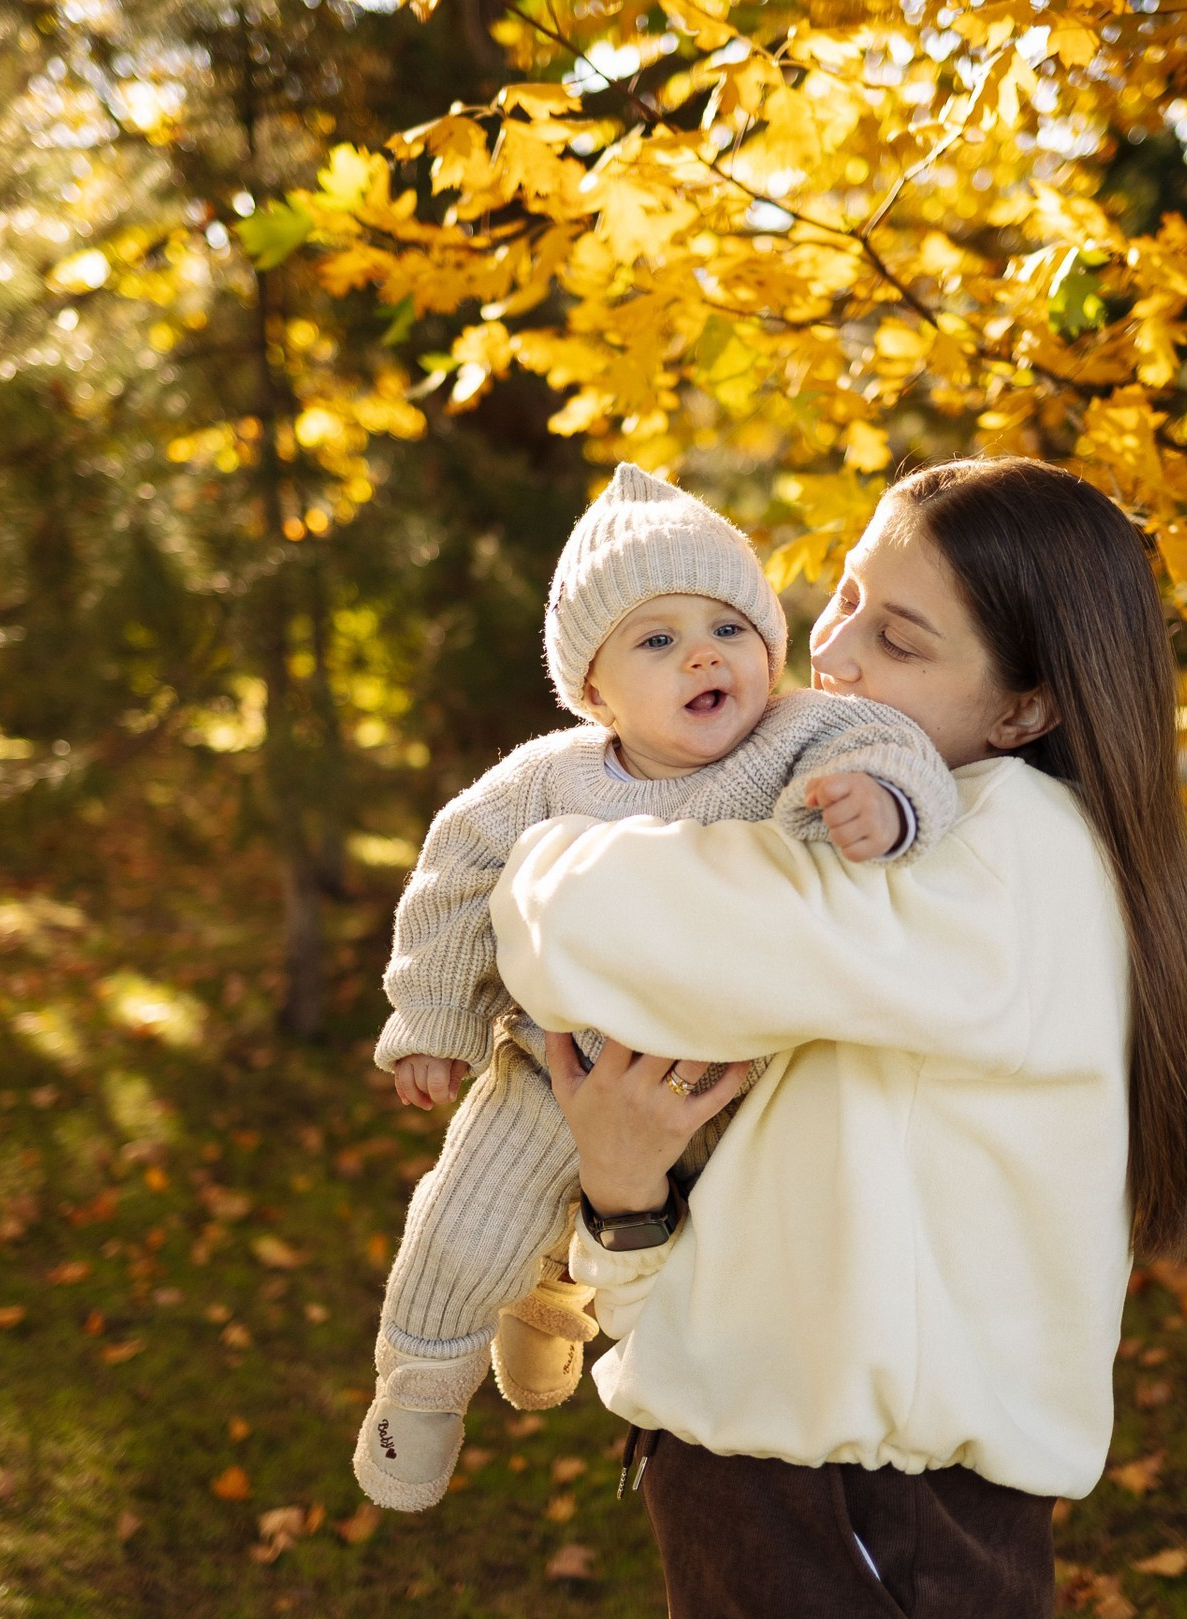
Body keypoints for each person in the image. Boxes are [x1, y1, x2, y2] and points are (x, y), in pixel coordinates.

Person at [491, 457, 1187, 1619]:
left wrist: (537, 845)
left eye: (897, 637)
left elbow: (598, 928)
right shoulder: (886, 837)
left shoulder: (1002, 853)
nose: (826, 654)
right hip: (774, 1498)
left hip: (869, 1524)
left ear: (1023, 710)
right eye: (838, 595)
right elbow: (780, 1201)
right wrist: (625, 1206)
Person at [354, 463, 959, 1512]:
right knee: (462, 1225)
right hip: (555, 1069)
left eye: (729, 626)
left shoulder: (800, 737)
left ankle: (558, 1291)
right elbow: (453, 874)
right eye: (655, 640)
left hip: (730, 1084)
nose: (702, 655)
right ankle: (419, 1393)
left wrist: (886, 802)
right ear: (593, 691)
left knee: (701, 1255)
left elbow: (891, 741)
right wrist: (433, 1018)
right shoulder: (546, 778)